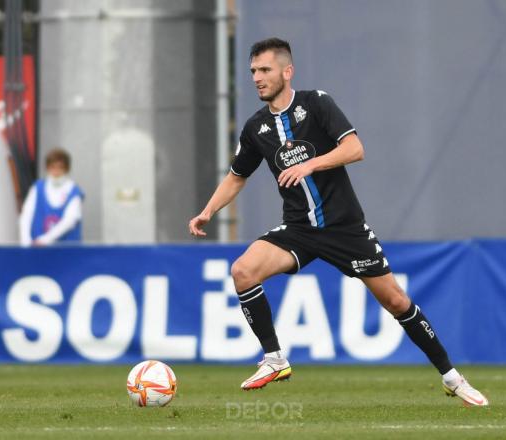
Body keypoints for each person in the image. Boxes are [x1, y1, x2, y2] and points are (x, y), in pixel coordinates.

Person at [189, 38, 488, 406]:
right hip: (298, 229)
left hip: (344, 229)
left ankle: (452, 377)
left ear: (287, 71)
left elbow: (354, 149)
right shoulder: (256, 128)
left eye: (264, 70)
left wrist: (309, 164)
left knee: (396, 302)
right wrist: (208, 211)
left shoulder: (316, 103)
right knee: (243, 271)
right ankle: (274, 359)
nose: (257, 78)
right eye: (253, 71)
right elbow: (237, 176)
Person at [19, 148, 83, 246]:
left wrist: (46, 239)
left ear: (67, 169)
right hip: (38, 251)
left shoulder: (74, 191)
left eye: (60, 167)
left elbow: (70, 220)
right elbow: (26, 214)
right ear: (47, 168)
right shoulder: (37, 188)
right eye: (52, 167)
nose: (56, 171)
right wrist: (25, 241)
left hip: (67, 251)